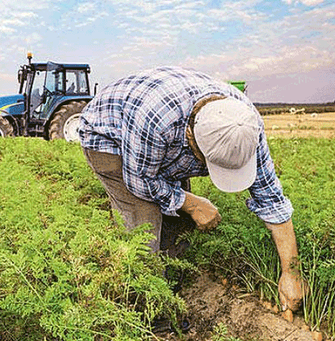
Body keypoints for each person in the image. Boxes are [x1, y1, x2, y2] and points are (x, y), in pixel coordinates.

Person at [78, 66, 305, 312]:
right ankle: (147, 309)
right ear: (190, 137)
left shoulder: (245, 124)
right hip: (109, 137)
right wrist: (193, 203)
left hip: (159, 140)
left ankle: (170, 287)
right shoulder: (156, 122)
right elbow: (140, 181)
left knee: (179, 221)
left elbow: (271, 199)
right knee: (144, 228)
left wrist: (291, 272)